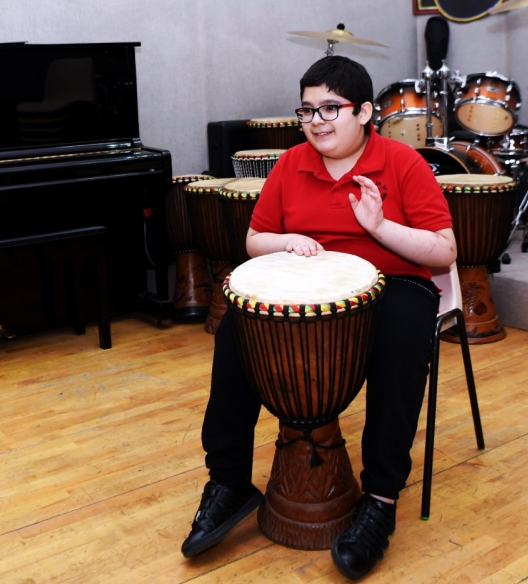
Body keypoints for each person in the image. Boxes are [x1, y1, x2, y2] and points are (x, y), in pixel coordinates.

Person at [181, 55, 456, 580]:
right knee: (236, 329)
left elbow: (444, 250)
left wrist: (379, 227)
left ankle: (379, 499)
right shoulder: (291, 164)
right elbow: (254, 240)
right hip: (308, 290)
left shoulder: (403, 162)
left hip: (394, 282)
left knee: (401, 339)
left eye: (331, 108)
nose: (316, 121)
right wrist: (287, 240)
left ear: (365, 112)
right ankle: (229, 481)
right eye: (307, 110)